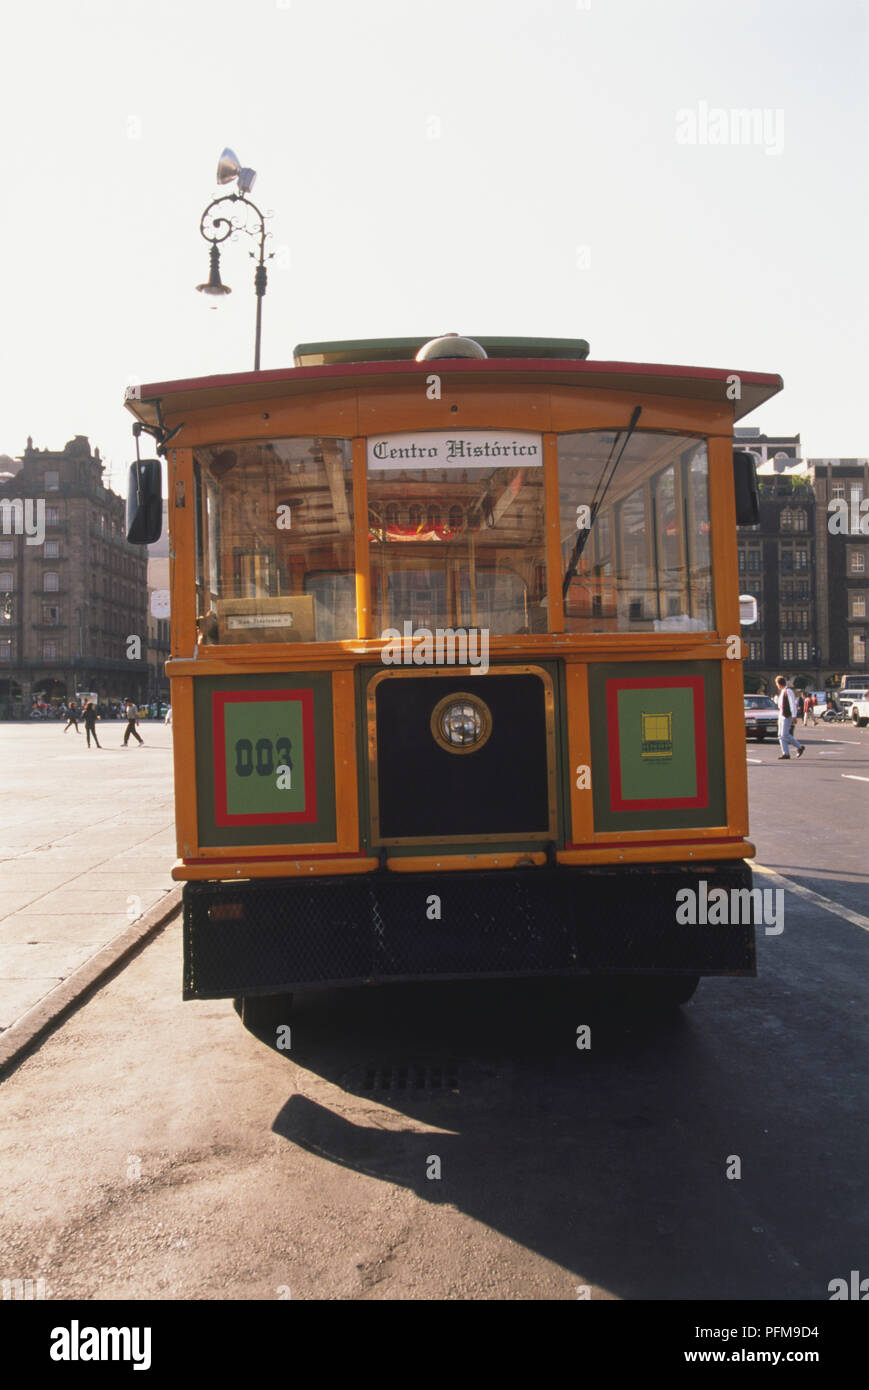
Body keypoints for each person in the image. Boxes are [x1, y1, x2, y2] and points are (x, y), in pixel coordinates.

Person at [775, 675, 805, 759]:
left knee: (785, 734)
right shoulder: (782, 692)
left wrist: (794, 716)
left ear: (779, 684)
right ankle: (785, 753)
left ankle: (799, 747)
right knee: (780, 735)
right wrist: (779, 718)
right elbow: (781, 706)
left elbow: (792, 704)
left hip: (787, 715)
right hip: (782, 715)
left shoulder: (788, 691)